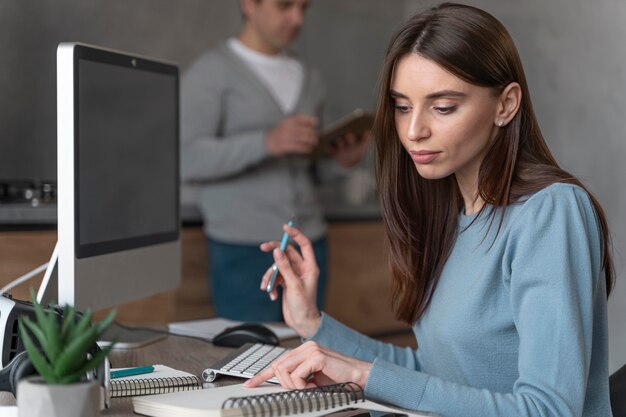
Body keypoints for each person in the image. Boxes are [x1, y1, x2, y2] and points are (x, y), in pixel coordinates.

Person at [245, 3, 615, 417]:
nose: (414, 130)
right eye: (402, 106)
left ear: (505, 105)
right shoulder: (453, 217)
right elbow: (437, 377)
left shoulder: (550, 212)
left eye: (442, 107)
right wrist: (313, 323)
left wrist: (364, 375)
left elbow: (548, 410)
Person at [180, 0, 369, 321]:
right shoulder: (211, 72)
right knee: (247, 359)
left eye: (303, 8)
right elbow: (186, 159)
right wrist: (265, 142)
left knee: (306, 352)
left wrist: (342, 163)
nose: (296, 18)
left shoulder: (311, 77)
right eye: (284, 6)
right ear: (249, 5)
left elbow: (307, 170)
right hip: (242, 248)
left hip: (309, 241)